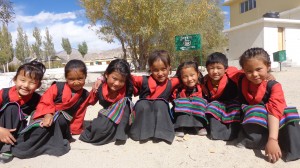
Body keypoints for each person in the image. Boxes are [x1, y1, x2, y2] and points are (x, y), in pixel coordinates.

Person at [12, 59, 91, 159]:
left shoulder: (85, 95)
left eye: (80, 78)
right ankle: (21, 147)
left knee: (60, 119)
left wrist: (75, 129)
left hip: (62, 122)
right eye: (71, 79)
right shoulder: (57, 87)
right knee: (42, 130)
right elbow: (45, 100)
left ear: (85, 77)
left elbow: (80, 112)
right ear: (66, 78)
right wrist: (48, 114)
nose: (76, 82)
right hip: (45, 117)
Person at [234, 47, 300, 163]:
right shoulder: (241, 79)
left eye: (259, 69)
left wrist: (273, 139)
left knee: (289, 114)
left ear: (268, 66)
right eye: (249, 71)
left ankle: (275, 142)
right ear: (243, 70)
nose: (254, 74)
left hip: (275, 119)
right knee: (253, 110)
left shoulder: (274, 86)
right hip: (258, 120)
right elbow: (229, 71)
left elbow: (274, 110)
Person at [129, 50, 179, 144]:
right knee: (143, 104)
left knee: (160, 104)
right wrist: (101, 78)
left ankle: (161, 133)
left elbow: (187, 75)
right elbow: (125, 76)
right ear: (150, 69)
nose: (160, 73)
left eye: (164, 69)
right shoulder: (143, 80)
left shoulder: (172, 82)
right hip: (144, 111)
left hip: (160, 111)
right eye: (156, 70)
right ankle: (141, 133)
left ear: (169, 68)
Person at [79, 59, 134, 145]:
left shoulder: (128, 85)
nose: (117, 83)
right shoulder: (99, 88)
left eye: (121, 81)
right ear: (107, 75)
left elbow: (146, 81)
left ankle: (121, 134)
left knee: (126, 103)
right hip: (108, 114)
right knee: (98, 128)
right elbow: (85, 103)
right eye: (114, 78)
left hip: (124, 117)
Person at [0, 61, 45, 162]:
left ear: (38, 85)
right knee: (12, 107)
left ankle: (8, 148)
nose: (26, 85)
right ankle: (6, 146)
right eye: (22, 80)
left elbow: (42, 113)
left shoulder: (37, 99)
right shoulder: (4, 93)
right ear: (15, 80)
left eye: (32, 82)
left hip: (17, 131)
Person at [201, 52, 241, 141]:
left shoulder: (232, 77)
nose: (215, 71)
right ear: (207, 69)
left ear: (225, 69)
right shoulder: (204, 81)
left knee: (235, 109)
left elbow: (243, 74)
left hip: (232, 102)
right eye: (211, 68)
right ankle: (216, 133)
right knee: (211, 107)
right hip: (216, 104)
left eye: (219, 68)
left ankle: (233, 133)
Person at [171, 61, 207, 138]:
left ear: (198, 73)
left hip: (197, 110)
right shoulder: (178, 88)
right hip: (182, 113)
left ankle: (199, 126)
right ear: (180, 77)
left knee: (199, 101)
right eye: (185, 77)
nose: (189, 79)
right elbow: (173, 99)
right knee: (181, 102)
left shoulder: (202, 86)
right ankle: (180, 126)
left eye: (192, 75)